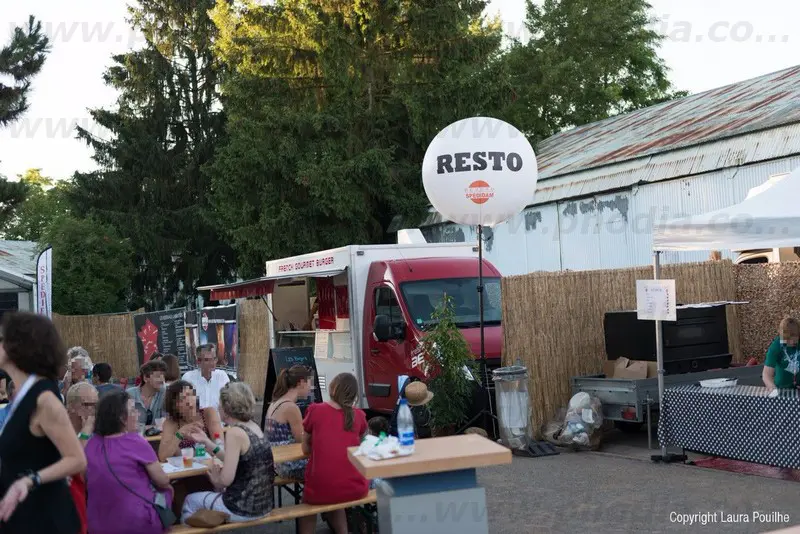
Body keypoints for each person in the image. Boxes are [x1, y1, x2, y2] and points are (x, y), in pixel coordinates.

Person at [0, 312, 87, 534]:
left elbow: (77, 459)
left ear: (18, 347)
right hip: (23, 516)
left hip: (45, 519)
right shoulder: (23, 395)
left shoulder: (44, 399)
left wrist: (30, 480)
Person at [181, 382, 274, 524]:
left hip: (242, 508)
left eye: (220, 403)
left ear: (227, 408)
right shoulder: (253, 426)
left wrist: (215, 479)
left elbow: (225, 481)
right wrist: (207, 442)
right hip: (264, 505)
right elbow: (234, 459)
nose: (218, 407)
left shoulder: (234, 432)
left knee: (189, 500)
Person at [85, 389, 172, 534]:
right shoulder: (135, 441)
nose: (138, 414)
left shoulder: (91, 444)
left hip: (97, 525)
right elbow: (162, 480)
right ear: (121, 418)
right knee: (168, 490)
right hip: (137, 523)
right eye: (133, 410)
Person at [298, 373, 368, 534]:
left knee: (309, 504)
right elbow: (365, 445)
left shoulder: (315, 411)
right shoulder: (359, 415)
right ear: (354, 395)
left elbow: (306, 450)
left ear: (333, 388)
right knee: (336, 496)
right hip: (355, 487)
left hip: (322, 488)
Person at [264, 365, 313, 480]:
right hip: (289, 465)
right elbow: (302, 440)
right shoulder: (290, 407)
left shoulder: (275, 403)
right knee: (329, 466)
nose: (311, 388)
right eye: (310, 383)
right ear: (301, 383)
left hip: (276, 463)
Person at [158, 380, 223, 462]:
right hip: (185, 471)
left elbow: (220, 446)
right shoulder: (171, 422)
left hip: (210, 467)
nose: (189, 401)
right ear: (174, 406)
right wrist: (180, 434)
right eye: (182, 399)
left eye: (190, 395)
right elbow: (163, 457)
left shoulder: (208, 413)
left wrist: (183, 453)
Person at [182, 344, 229, 412]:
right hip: (196, 421)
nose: (212, 363)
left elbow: (229, 403)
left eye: (214, 359)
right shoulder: (188, 378)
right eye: (207, 360)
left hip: (219, 421)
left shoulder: (222, 376)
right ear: (198, 362)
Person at [127, 360, 168, 428]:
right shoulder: (130, 394)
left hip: (158, 437)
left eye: (163, 376)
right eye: (158, 376)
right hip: (135, 436)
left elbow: (167, 421)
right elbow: (127, 424)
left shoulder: (164, 393)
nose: (162, 380)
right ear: (145, 378)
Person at [763, 317, 800, 392]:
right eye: (788, 340)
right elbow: (767, 374)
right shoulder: (776, 346)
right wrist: (773, 389)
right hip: (781, 389)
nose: (791, 342)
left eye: (794, 339)